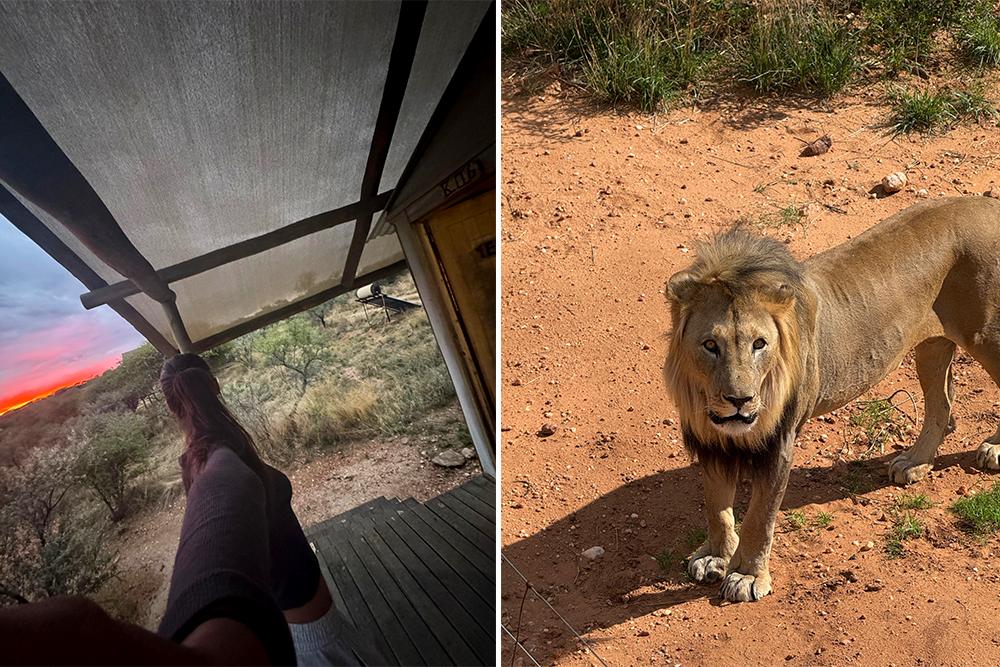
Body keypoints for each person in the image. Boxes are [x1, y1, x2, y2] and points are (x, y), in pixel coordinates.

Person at [0, 353, 366, 665]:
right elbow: (222, 495)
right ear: (214, 385)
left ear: (169, 404)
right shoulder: (215, 456)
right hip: (313, 634)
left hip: (309, 615)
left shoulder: (211, 448)